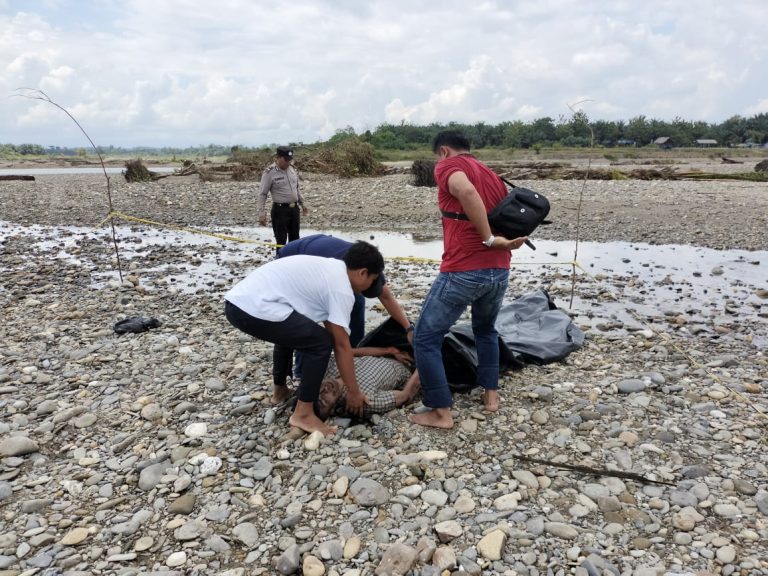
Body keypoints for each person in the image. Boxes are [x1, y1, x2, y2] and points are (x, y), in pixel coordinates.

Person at [410, 131, 528, 429]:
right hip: (499, 270)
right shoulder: (492, 174)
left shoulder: (448, 166)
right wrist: (495, 243)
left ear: (444, 151)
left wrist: (488, 238)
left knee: (425, 337)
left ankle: (441, 412)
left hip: (464, 269)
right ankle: (490, 396)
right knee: (485, 330)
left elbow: (466, 192)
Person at [224, 241, 385, 435]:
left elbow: (334, 331)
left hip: (238, 301)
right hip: (252, 307)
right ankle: (304, 413)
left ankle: (280, 391)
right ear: (362, 273)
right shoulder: (341, 288)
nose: (370, 287)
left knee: (296, 331)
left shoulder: (331, 268)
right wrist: (354, 392)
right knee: (320, 343)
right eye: (373, 279)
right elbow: (341, 345)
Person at [277, 234, 414, 346]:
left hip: (320, 245)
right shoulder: (336, 273)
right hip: (292, 256)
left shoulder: (372, 267)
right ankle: (301, 371)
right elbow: (329, 317)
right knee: (308, 319)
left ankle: (356, 348)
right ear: (362, 273)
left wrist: (408, 328)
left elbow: (386, 297)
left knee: (357, 301)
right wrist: (341, 346)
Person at [315, 347, 420, 419]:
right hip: (410, 364)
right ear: (333, 410)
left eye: (316, 391)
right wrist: (422, 362)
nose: (324, 390)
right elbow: (405, 395)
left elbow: (347, 351)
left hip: (389, 348)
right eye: (323, 400)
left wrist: (391, 351)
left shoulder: (328, 369)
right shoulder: (363, 402)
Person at [257, 146, 308, 248]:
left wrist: (303, 204)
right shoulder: (269, 172)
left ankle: (293, 263)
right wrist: (261, 213)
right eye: (286, 160)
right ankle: (280, 261)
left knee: (295, 241)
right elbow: (262, 194)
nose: (288, 163)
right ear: (279, 158)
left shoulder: (292, 169)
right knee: (281, 242)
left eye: (290, 160)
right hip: (280, 211)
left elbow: (296, 188)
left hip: (294, 210)